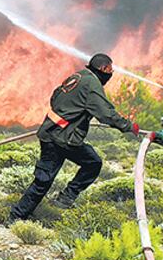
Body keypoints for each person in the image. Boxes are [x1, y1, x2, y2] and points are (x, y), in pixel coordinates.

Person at [9, 53, 138, 222]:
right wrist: (129, 126)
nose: (111, 74)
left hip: (52, 133)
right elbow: (106, 114)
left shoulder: (78, 77)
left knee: (49, 179)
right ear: (103, 68)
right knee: (89, 164)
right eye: (110, 70)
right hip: (62, 139)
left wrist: (73, 115)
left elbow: (55, 97)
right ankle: (59, 200)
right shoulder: (92, 84)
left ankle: (22, 214)